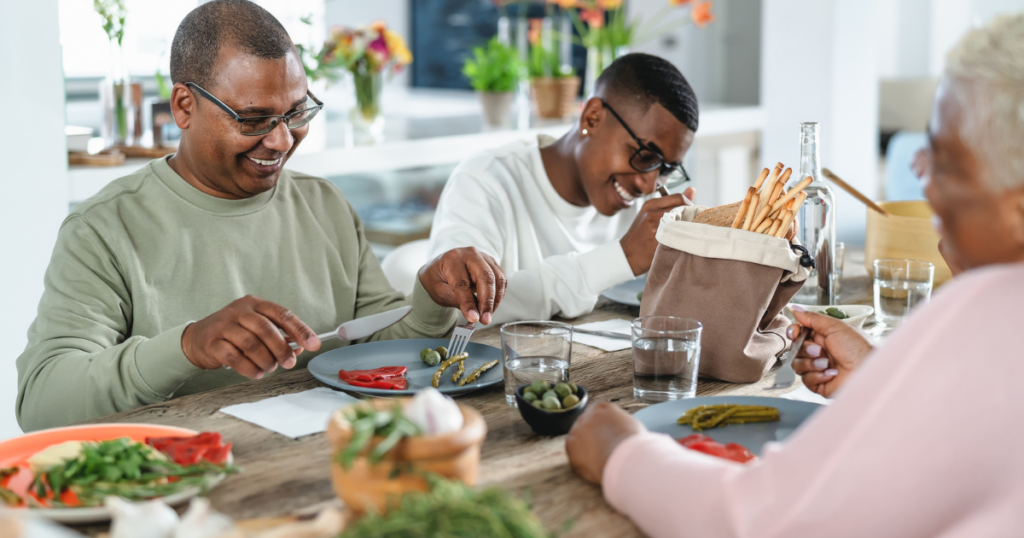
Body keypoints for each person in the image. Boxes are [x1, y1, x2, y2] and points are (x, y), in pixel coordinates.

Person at [565, 14, 1024, 537]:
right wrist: (883, 383)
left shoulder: (988, 306)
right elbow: (964, 441)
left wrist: (620, 453)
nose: (919, 173)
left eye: (944, 159)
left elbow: (765, 519)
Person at [16, 0, 507, 432]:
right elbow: (42, 404)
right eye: (253, 120)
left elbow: (374, 347)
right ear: (184, 106)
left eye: (296, 114)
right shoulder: (105, 228)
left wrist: (429, 298)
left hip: (320, 465)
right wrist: (185, 347)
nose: (281, 140)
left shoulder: (324, 204)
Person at [428, 53, 698, 324]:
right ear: (592, 118)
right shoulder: (486, 180)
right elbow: (456, 310)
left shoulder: (644, 206)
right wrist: (624, 256)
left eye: (665, 169)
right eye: (644, 155)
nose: (648, 184)